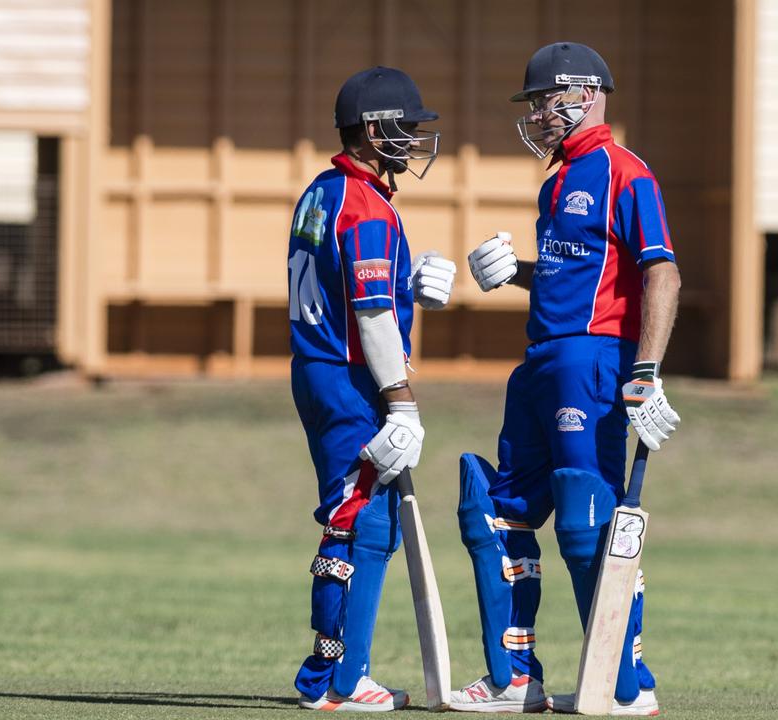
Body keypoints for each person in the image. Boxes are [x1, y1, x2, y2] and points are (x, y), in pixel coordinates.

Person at [444, 42, 681, 716]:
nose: (538, 115)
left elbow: (662, 270)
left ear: (580, 93)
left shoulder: (624, 171)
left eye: (545, 100)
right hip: (541, 360)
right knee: (498, 511)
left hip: (594, 360)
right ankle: (516, 677)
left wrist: (645, 371)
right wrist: (516, 271)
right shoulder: (556, 179)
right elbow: (572, 273)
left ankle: (623, 684)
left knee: (587, 519)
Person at [287, 65, 457, 712]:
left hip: (322, 370)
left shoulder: (322, 191)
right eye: (405, 126)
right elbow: (369, 314)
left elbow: (356, 293)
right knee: (353, 523)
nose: (414, 137)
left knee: (368, 521)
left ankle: (340, 673)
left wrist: (410, 282)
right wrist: (401, 402)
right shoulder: (364, 205)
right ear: (371, 130)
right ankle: (332, 680)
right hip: (351, 380)